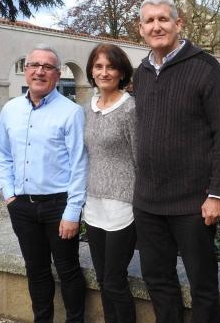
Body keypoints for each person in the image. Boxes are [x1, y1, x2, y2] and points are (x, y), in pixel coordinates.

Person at [132, 0, 220, 323]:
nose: (156, 26)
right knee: (158, 280)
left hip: (193, 202)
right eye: (150, 21)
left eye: (163, 19)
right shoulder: (142, 73)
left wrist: (217, 193)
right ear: (141, 29)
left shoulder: (206, 68)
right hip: (148, 202)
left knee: (203, 284)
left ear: (179, 23)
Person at [0, 44, 88, 323]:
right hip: (22, 206)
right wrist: (8, 193)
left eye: (47, 67)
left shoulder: (71, 112)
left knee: (68, 269)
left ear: (57, 75)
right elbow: (2, 152)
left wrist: (73, 212)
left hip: (58, 206)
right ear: (26, 71)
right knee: (36, 269)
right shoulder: (10, 110)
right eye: (34, 65)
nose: (40, 71)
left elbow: (80, 164)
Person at [82, 43, 138, 323]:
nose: (104, 72)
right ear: (92, 71)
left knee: (116, 279)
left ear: (121, 72)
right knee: (103, 278)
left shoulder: (130, 109)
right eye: (98, 66)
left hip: (122, 204)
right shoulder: (87, 109)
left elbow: (141, 157)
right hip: (93, 203)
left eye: (110, 66)